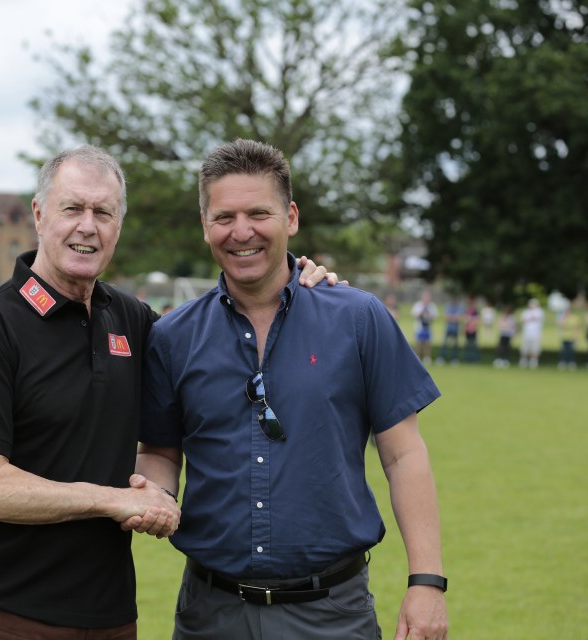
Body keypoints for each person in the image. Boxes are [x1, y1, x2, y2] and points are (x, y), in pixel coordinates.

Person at [0, 144, 341, 639]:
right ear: (40, 215)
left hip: (110, 615)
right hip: (6, 614)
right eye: (73, 209)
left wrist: (299, 285)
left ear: (118, 226)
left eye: (103, 212)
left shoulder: (132, 321)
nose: (88, 226)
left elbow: (210, 347)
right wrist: (110, 500)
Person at [136, 140, 447, 640]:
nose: (242, 232)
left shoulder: (358, 318)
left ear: (291, 218)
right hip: (211, 616)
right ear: (205, 225)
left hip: (332, 615)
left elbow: (404, 455)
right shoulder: (172, 337)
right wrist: (153, 495)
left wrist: (426, 581)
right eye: (224, 217)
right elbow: (159, 451)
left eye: (259, 213)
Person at [411, 291, 439, 365]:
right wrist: (421, 313)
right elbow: (414, 314)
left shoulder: (432, 306)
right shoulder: (418, 305)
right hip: (420, 327)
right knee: (419, 343)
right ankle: (416, 357)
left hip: (428, 327)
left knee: (427, 343)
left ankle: (427, 358)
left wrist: (430, 316)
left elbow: (435, 316)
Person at [519, 298, 544, 369]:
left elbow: (534, 318)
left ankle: (533, 362)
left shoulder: (539, 311)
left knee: (535, 349)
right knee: (524, 349)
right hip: (526, 333)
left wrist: (528, 319)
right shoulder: (526, 312)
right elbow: (522, 320)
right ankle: (523, 361)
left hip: (536, 334)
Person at [437, 296, 462, 365]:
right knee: (444, 344)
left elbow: (459, 318)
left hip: (456, 329)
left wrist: (451, 317)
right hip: (448, 328)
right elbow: (445, 317)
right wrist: (453, 317)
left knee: (455, 345)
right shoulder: (448, 306)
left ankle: (454, 359)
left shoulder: (459, 307)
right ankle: (441, 358)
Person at [462, 295, 480, 363]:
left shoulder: (475, 312)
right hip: (467, 330)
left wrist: (471, 320)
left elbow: (477, 320)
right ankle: (467, 359)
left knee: (474, 346)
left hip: (473, 330)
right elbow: (465, 320)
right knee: (467, 345)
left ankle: (475, 360)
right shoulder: (466, 311)